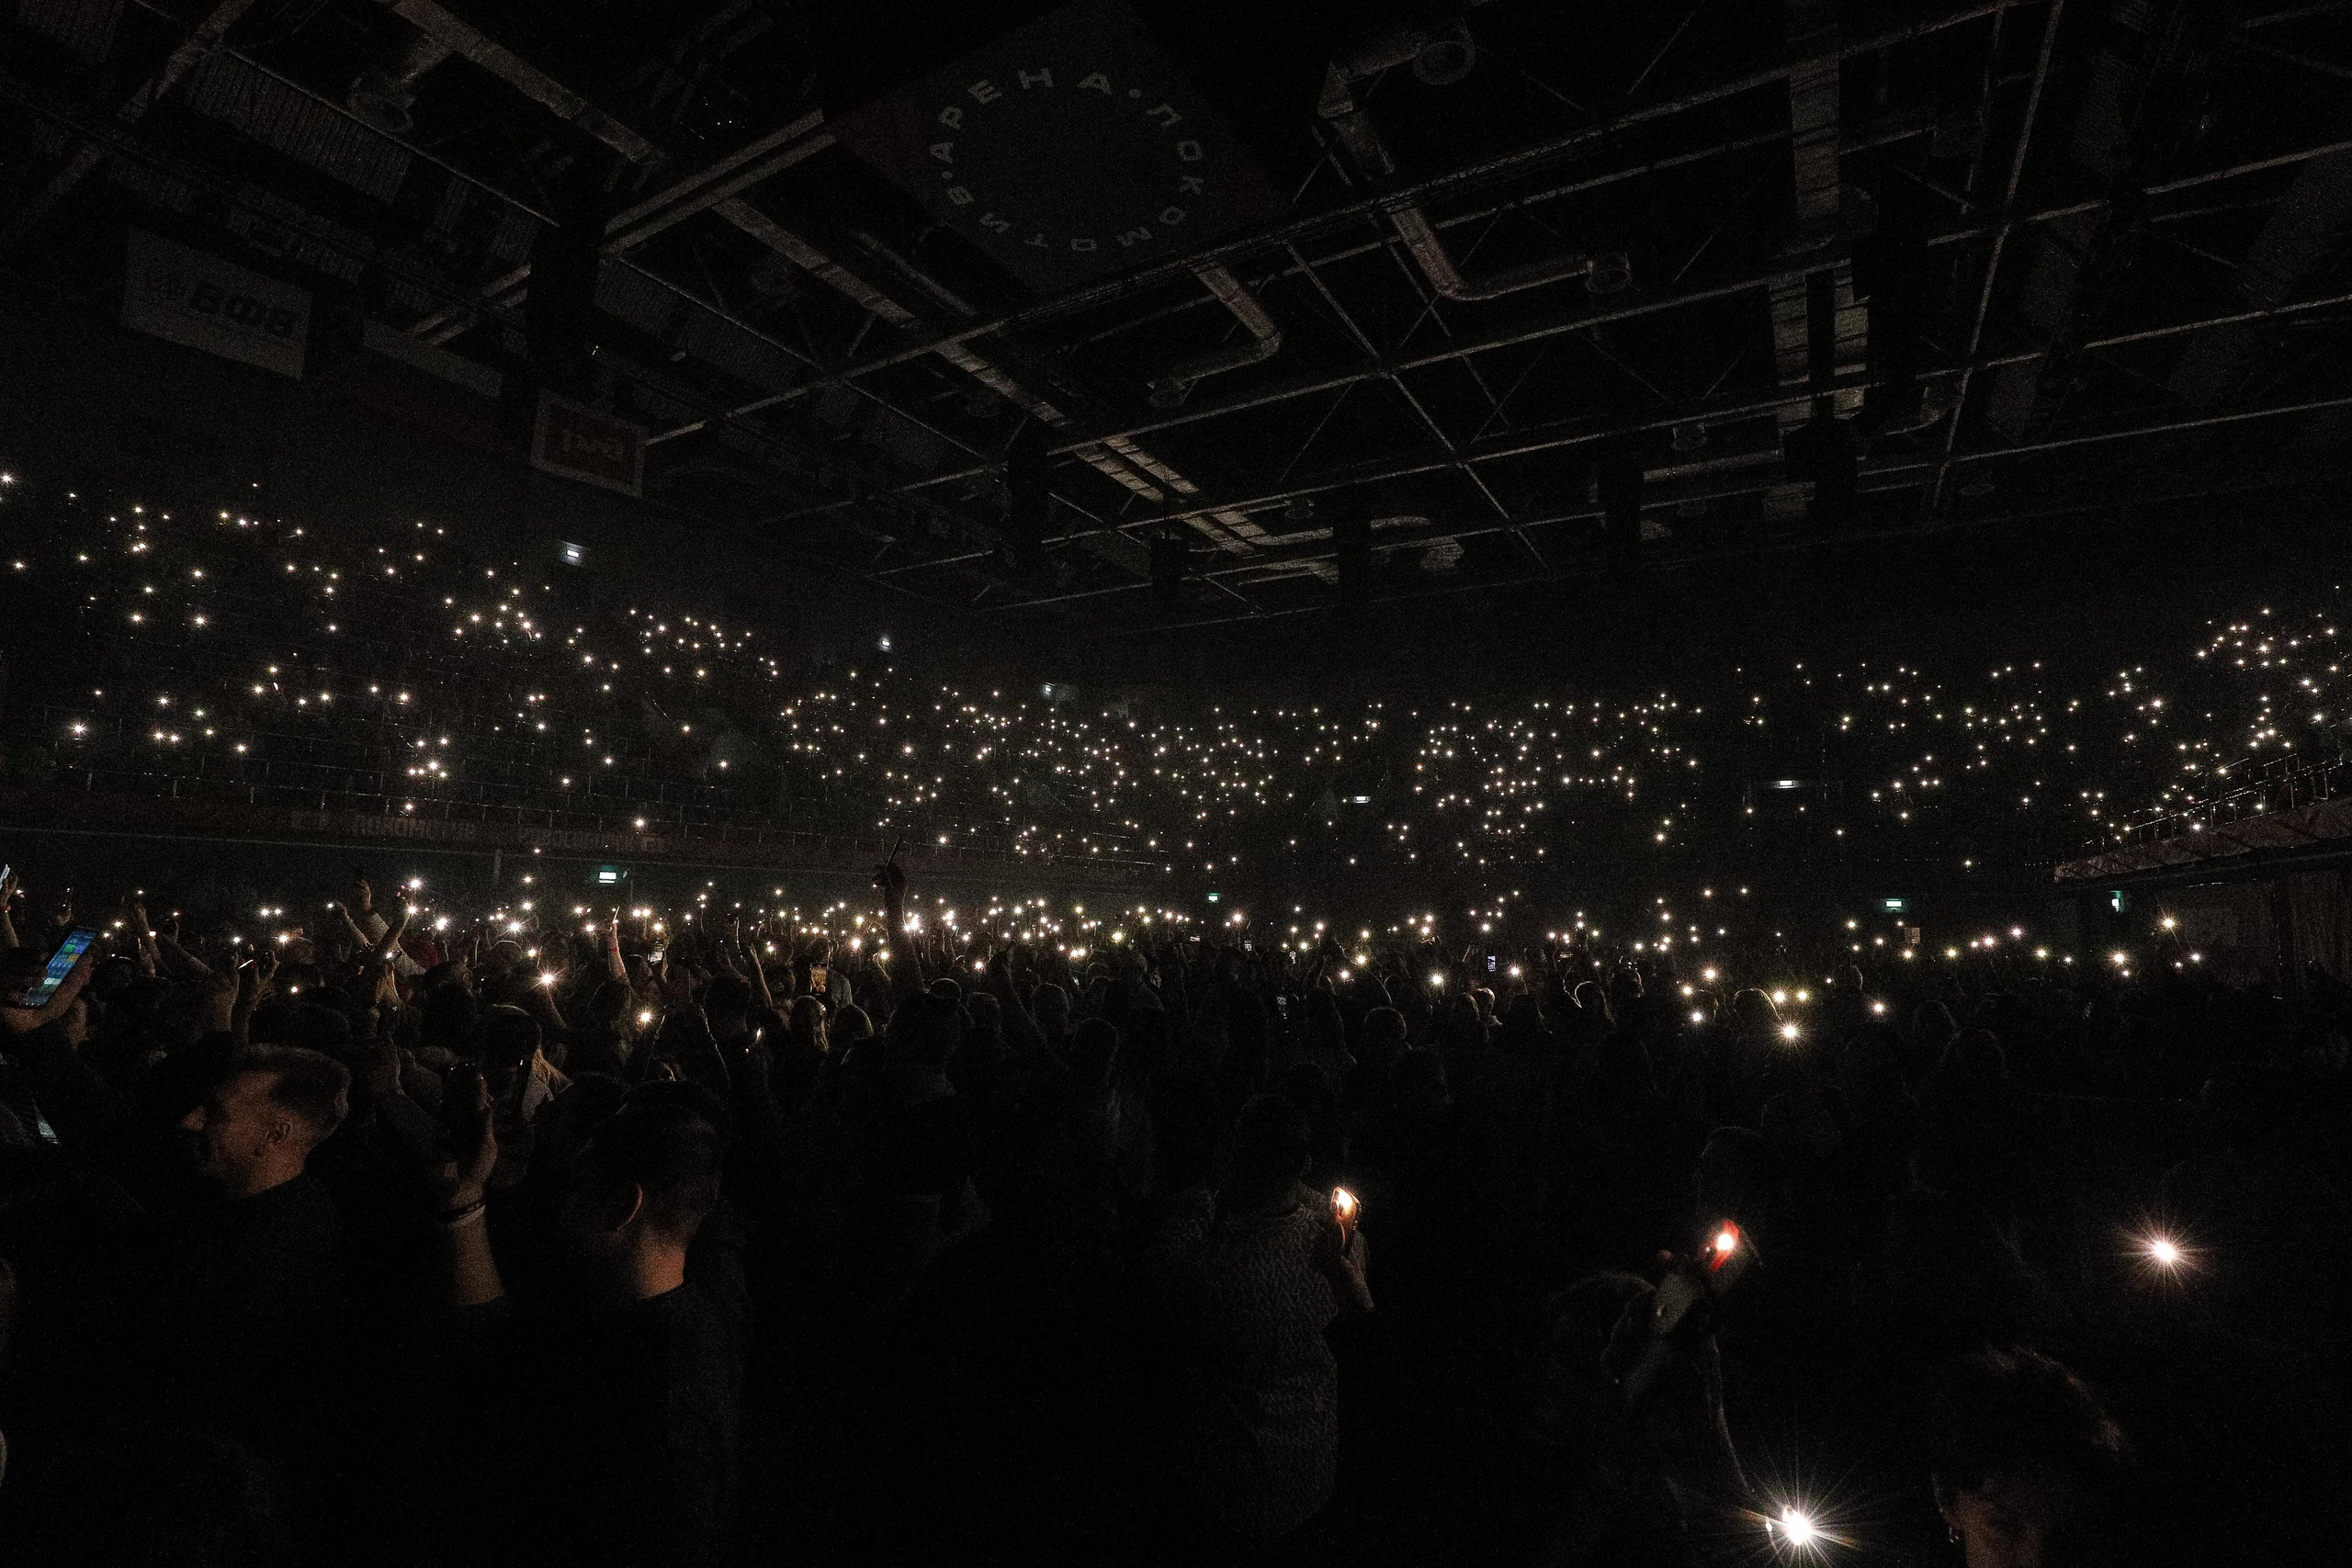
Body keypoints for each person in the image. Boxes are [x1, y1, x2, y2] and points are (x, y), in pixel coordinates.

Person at [1152, 1093, 1372, 1546]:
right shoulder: (1339, 1246)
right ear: (1304, 1161)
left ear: (1232, 1153)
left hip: (1233, 1465)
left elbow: (1157, 1286)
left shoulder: (1200, 1253)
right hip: (1314, 1452)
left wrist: (1200, 1203)